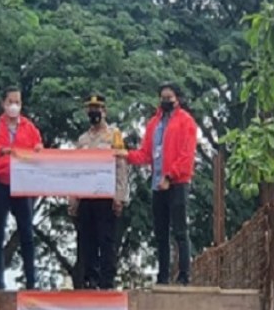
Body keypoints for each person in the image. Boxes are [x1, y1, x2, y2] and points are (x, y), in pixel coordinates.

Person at [120, 83, 197, 285]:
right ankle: (162, 277)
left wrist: (170, 177)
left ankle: (184, 275)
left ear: (177, 99)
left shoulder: (186, 122)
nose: (165, 101)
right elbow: (145, 154)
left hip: (177, 182)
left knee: (180, 230)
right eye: (162, 97)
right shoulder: (154, 123)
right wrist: (126, 155)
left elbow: (186, 155)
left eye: (169, 97)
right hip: (157, 183)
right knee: (160, 233)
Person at [70, 93, 128, 290]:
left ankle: (107, 281)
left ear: (104, 111)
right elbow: (75, 170)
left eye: (98, 108)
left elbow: (121, 166)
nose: (94, 112)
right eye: (91, 109)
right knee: (87, 240)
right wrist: (73, 200)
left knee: (106, 239)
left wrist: (120, 196)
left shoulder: (114, 135)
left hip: (106, 196)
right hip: (86, 196)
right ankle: (90, 279)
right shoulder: (83, 139)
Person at [0, 86, 43, 290]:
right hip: (0, 182)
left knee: (27, 233)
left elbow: (39, 149)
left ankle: (31, 281)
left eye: (17, 102)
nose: (14, 106)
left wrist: (38, 149)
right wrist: (2, 150)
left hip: (23, 184)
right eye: (10, 101)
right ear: (3, 103)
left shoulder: (29, 127)